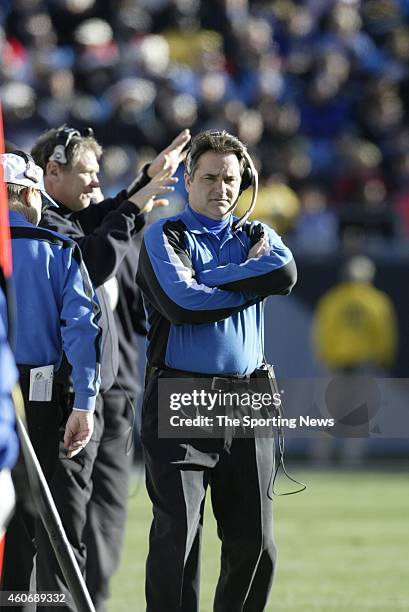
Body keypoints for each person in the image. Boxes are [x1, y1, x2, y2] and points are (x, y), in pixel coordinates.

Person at [136, 130, 297, 612]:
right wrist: (247, 280)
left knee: (256, 540)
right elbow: (182, 303)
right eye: (209, 177)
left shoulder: (257, 234)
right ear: (188, 180)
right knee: (178, 537)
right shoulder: (164, 234)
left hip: (249, 396)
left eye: (229, 179)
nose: (220, 188)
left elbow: (285, 273)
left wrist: (208, 277)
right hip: (180, 393)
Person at [31, 125, 190, 611]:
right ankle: (50, 603)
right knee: (61, 518)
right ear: (50, 173)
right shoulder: (43, 231)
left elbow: (101, 220)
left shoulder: (78, 220)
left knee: (106, 512)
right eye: (87, 173)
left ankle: (88, 601)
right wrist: (136, 203)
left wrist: (143, 184)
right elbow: (93, 257)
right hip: (60, 394)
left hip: (111, 389)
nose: (96, 184)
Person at [0, 152, 101, 601]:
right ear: (26, 193)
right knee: (29, 521)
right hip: (35, 394)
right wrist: (85, 402)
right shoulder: (58, 249)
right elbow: (82, 329)